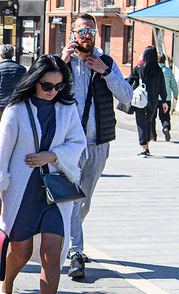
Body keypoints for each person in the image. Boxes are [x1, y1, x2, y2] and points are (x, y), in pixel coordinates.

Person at [0, 54, 87, 294]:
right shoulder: (16, 109)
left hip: (55, 192)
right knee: (21, 253)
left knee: (53, 253)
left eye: (58, 86)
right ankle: (6, 285)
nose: (53, 91)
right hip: (22, 192)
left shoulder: (68, 108)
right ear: (34, 81)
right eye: (47, 85)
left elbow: (77, 143)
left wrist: (52, 156)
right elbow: (0, 153)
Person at [60, 13, 133, 279]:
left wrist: (107, 72)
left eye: (91, 32)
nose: (87, 36)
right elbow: (37, 89)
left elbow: (127, 97)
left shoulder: (107, 63)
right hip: (68, 146)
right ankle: (76, 253)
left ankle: (70, 243)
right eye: (82, 32)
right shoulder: (60, 63)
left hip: (97, 144)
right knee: (71, 200)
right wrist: (62, 63)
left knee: (84, 201)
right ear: (72, 34)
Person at [131, 46, 168, 156]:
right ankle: (147, 145)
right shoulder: (159, 71)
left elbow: (130, 82)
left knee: (141, 123)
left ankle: (143, 148)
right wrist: (164, 101)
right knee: (149, 122)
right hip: (153, 100)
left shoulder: (139, 68)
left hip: (140, 100)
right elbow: (162, 86)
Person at [158, 52, 178, 141]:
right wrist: (176, 94)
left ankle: (152, 136)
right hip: (167, 97)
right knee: (165, 115)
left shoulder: (154, 70)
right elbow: (173, 84)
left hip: (155, 97)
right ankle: (166, 127)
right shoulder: (168, 70)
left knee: (152, 116)